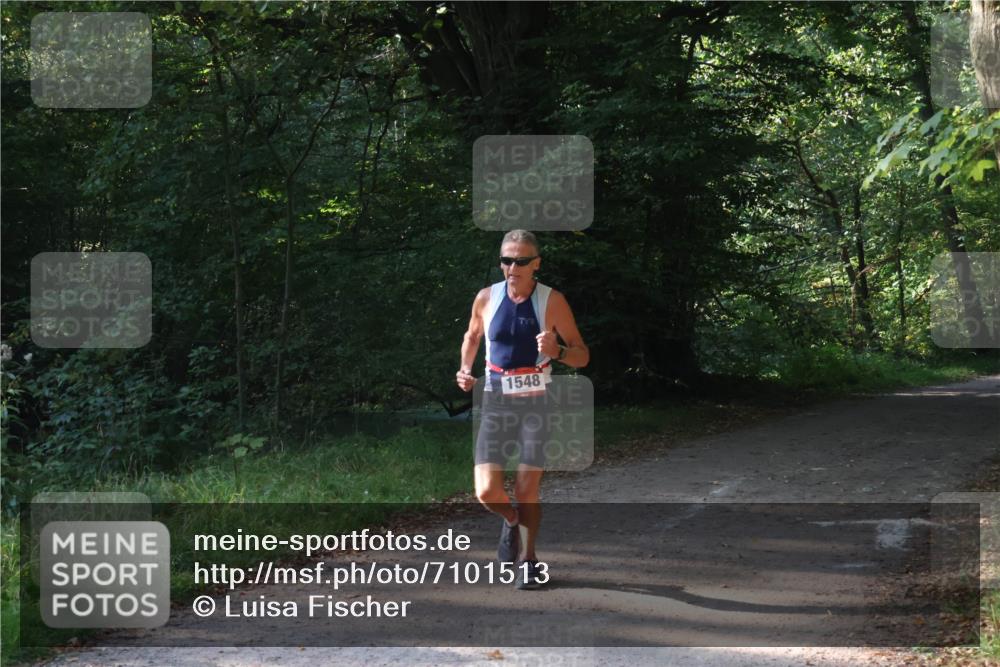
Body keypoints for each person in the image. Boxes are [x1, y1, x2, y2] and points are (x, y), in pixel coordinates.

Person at [456, 229, 589, 589]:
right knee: (485, 491)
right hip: (496, 400)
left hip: (536, 402)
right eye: (506, 260)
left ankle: (529, 562)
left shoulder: (553, 301)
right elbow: (472, 337)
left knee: (528, 488)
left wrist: (558, 350)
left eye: (521, 261)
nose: (512, 267)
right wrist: (466, 370)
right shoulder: (487, 297)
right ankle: (512, 521)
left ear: (536, 264)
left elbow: (582, 355)